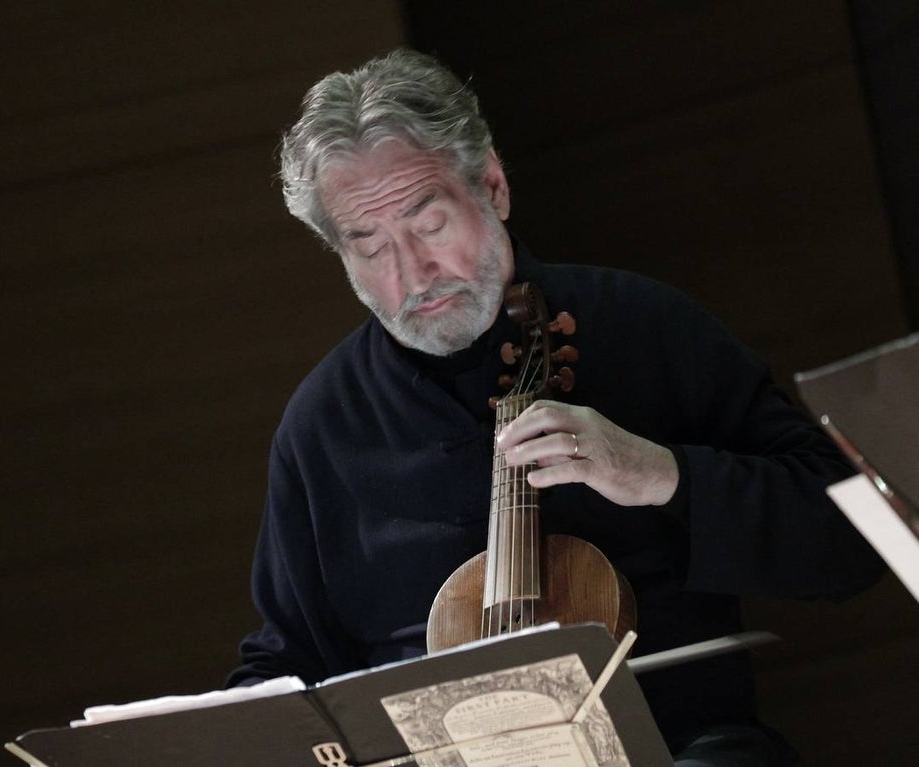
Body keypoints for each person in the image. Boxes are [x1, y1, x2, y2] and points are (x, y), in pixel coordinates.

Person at [227, 49, 882, 765]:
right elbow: (287, 657)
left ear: (495, 187)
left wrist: (663, 474)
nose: (411, 274)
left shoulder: (644, 326)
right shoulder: (324, 426)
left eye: (429, 224)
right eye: (369, 245)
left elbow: (853, 540)